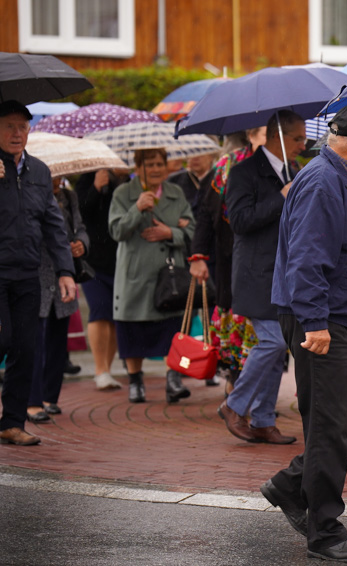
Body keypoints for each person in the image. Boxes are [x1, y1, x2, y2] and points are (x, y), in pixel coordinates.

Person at [261, 104, 347, 563]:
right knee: (328, 427)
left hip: (342, 319)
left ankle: (289, 486)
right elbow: (305, 259)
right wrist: (316, 323)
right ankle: (324, 530)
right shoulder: (323, 182)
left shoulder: (339, 179)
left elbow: (329, 247)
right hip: (324, 322)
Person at [215, 111, 305, 445]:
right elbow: (238, 221)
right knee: (274, 342)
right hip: (256, 274)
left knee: (277, 347)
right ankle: (234, 405)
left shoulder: (292, 171)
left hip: (285, 273)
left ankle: (264, 419)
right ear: (275, 136)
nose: (303, 144)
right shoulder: (243, 172)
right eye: (297, 138)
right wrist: (279, 198)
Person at [0, 100, 76, 446]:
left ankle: (11, 423)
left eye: (23, 127)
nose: (17, 133)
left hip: (28, 273)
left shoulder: (40, 172)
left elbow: (53, 224)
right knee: (3, 339)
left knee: (25, 348)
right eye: (9, 126)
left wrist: (65, 270)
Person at [108, 148, 195, 404]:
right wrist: (136, 209)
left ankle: (173, 379)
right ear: (137, 167)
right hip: (135, 275)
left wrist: (170, 233)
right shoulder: (123, 194)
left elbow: (192, 228)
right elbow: (116, 231)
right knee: (132, 330)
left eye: (160, 163)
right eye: (150, 164)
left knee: (172, 328)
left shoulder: (175, 193)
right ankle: (135, 381)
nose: (156, 168)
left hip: (170, 275)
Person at [191, 127, 267, 396]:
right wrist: (198, 256)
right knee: (238, 317)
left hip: (271, 259)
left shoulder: (284, 164)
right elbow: (205, 213)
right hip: (232, 255)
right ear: (252, 133)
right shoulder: (227, 165)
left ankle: (260, 394)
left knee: (269, 326)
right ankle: (236, 388)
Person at [27, 176, 90, 422]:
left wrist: (81, 244)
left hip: (63, 272)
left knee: (57, 339)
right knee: (35, 341)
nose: (55, 180)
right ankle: (32, 400)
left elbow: (80, 227)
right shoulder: (29, 193)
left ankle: (50, 397)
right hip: (36, 272)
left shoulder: (68, 196)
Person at [76, 168, 129, 391]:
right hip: (92, 263)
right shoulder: (86, 180)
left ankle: (107, 369)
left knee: (116, 315)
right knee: (99, 310)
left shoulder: (126, 184)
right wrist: (96, 188)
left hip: (119, 260)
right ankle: (100, 370)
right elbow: (82, 212)